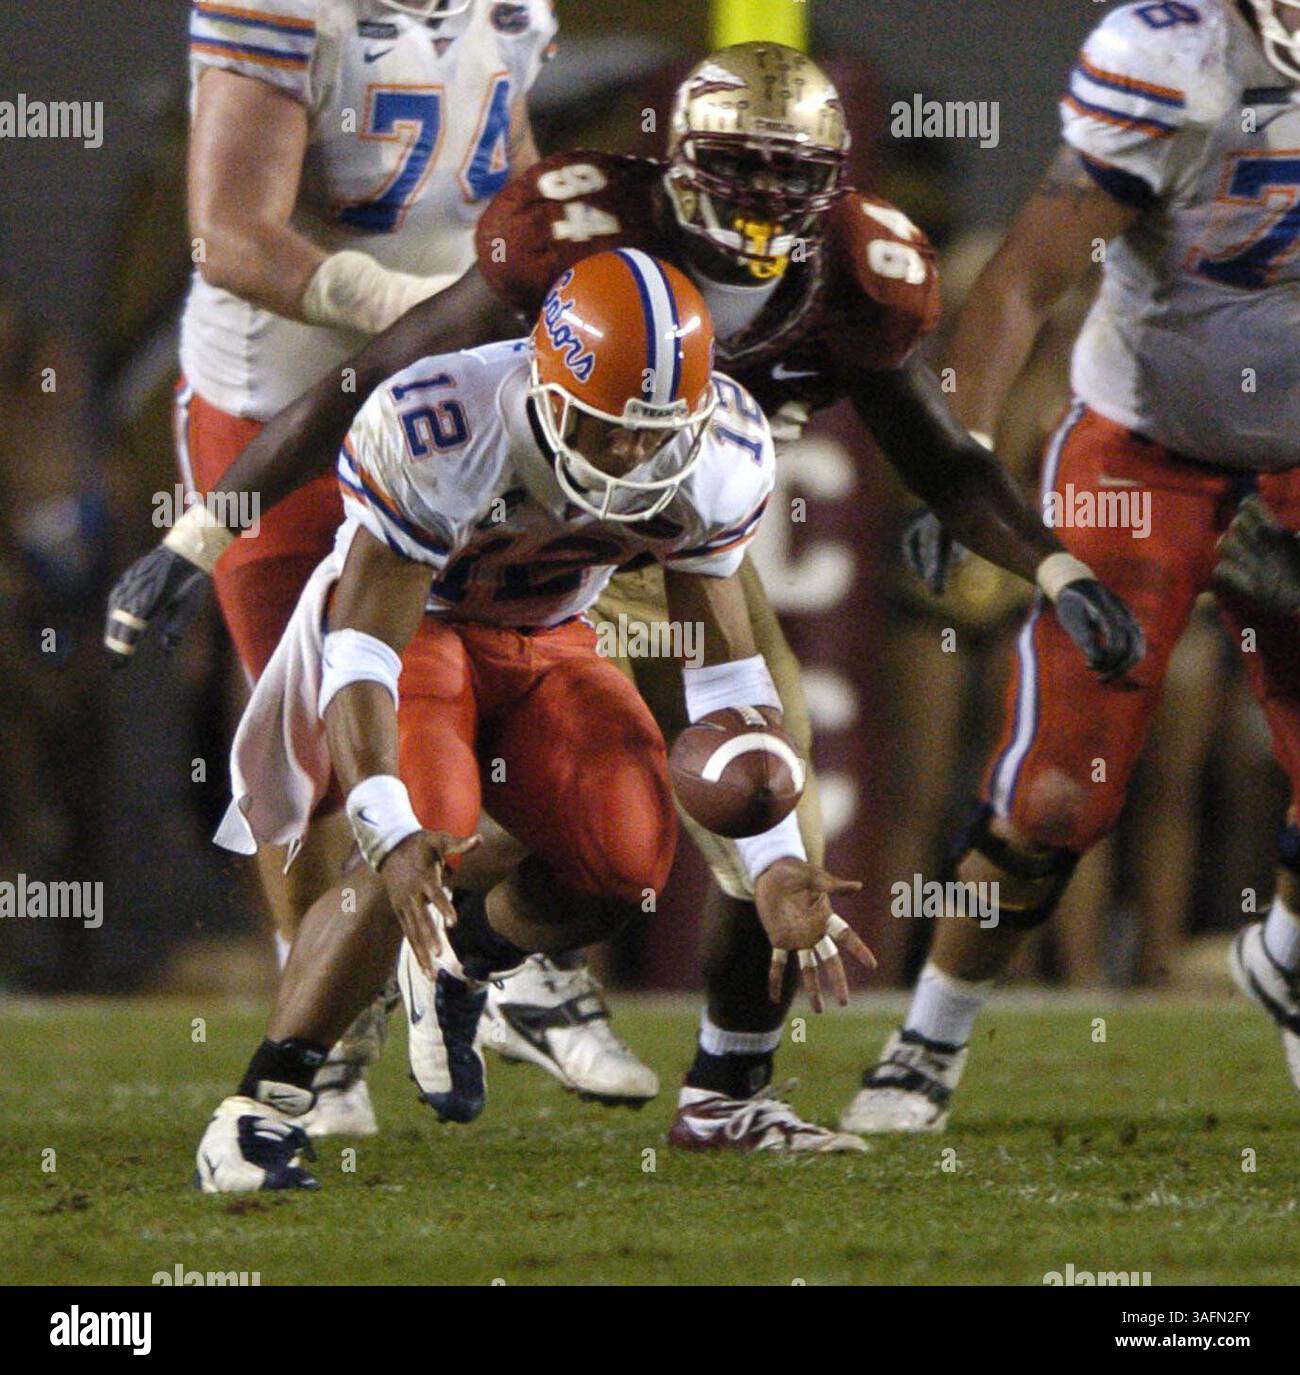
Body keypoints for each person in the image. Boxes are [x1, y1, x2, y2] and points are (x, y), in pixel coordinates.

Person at [111, 43, 1143, 1150]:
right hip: (501, 532)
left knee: (758, 789)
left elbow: (929, 467)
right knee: (424, 811)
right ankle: (323, 1048)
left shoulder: (822, 324)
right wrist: (203, 528)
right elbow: (371, 380)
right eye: (736, 168)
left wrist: (1052, 563)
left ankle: (708, 1080)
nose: (759, 202)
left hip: (673, 526)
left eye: (787, 175)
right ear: (682, 160)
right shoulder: (537, 286)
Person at [194, 250, 879, 1190]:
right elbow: (361, 656)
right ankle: (260, 1110)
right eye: (612, 430)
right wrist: (386, 826)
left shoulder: (720, 448)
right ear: (549, 390)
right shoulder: (440, 421)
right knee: (424, 842)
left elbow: (724, 676)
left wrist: (771, 861)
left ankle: (466, 962)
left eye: (657, 432)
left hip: (551, 639)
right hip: (417, 632)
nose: (638, 455)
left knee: (628, 861)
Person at [844, 0, 1300, 1134]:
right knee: (1056, 788)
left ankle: (1284, 958)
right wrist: (957, 470)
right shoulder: (1175, 61)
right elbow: (1019, 283)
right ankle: (927, 1038)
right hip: (1146, 447)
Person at [151, 0, 591, 1133]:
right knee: (310, 727)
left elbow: (514, 174)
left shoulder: (512, 10)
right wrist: (408, 307)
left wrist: (533, 287)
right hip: (280, 409)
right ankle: (322, 1030)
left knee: (500, 682)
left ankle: (482, 956)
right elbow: (231, 236)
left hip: (444, 403)